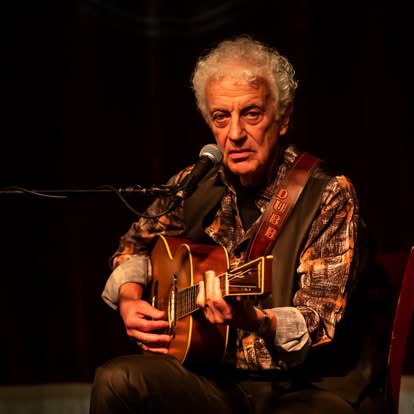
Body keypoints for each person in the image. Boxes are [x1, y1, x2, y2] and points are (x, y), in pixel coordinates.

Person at [89, 35, 385, 414]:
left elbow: (318, 321)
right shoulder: (194, 184)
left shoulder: (327, 193)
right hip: (216, 378)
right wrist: (131, 299)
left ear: (283, 117)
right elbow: (133, 245)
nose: (235, 134)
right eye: (221, 117)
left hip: (306, 385)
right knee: (117, 381)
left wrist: (254, 320)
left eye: (252, 113)